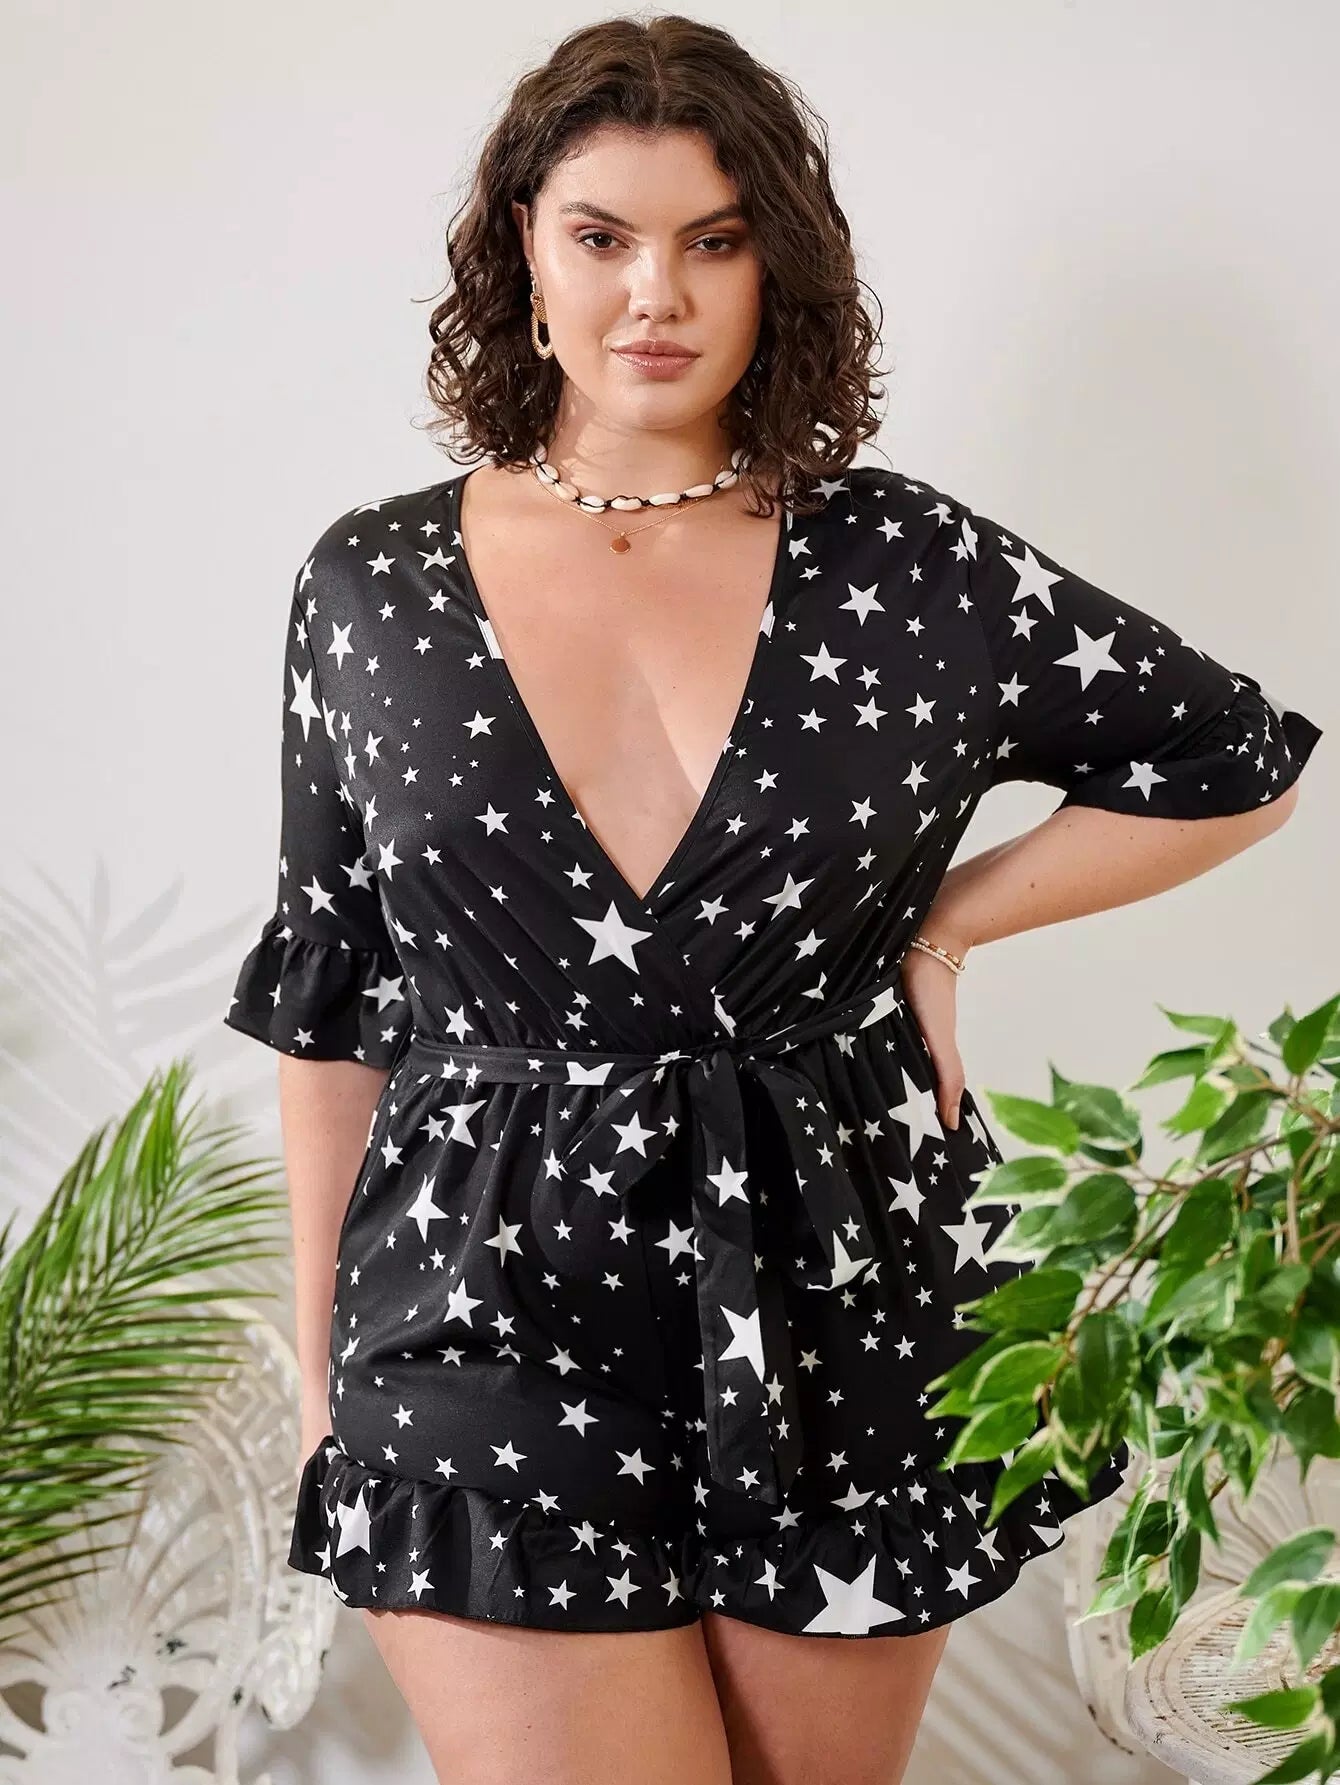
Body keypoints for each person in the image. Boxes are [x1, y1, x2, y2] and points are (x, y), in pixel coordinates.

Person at [222, 16, 1323, 1785]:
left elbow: (1235, 757)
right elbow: (330, 995)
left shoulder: (915, 567)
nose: (655, 293)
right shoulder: (372, 586)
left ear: (775, 266)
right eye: (602, 235)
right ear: (522, 252)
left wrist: (950, 921)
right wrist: (320, 1376)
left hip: (843, 1283)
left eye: (714, 240)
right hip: (479, 1309)